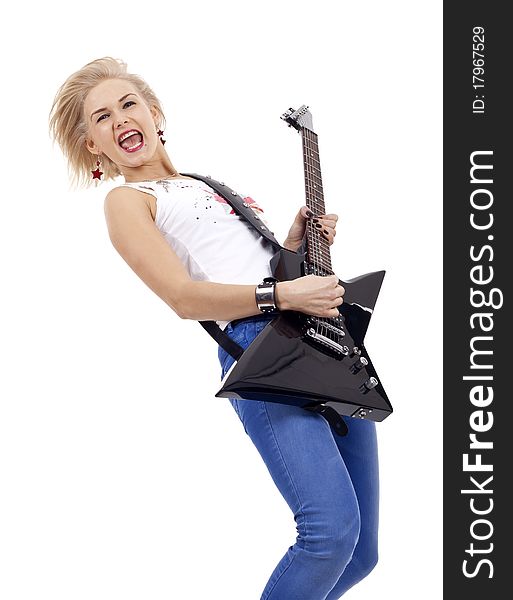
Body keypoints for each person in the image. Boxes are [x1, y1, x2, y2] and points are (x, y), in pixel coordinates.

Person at [48, 57, 379, 599]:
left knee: (360, 552)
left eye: (128, 104)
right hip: (259, 350)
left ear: (155, 114)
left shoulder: (206, 184)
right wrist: (281, 293)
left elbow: (253, 268)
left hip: (319, 339)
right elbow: (182, 297)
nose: (120, 120)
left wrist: (293, 246)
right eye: (102, 117)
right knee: (328, 534)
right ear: (94, 147)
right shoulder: (128, 202)